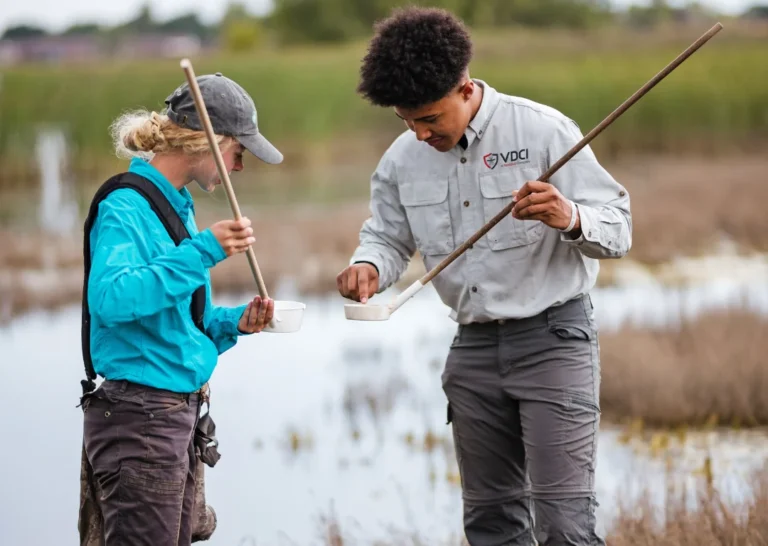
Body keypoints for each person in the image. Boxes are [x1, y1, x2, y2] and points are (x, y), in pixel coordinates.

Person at [337, 7, 631, 546]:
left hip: (554, 343)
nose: (420, 133)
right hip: (471, 353)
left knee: (565, 528)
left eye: (429, 119)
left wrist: (568, 216)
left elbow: (619, 228)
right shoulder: (402, 159)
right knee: (490, 526)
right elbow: (387, 236)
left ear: (465, 88)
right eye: (406, 121)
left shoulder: (544, 130)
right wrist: (368, 266)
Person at [79, 72, 282, 545]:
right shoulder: (126, 205)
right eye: (239, 153)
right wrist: (204, 250)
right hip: (140, 420)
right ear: (207, 142)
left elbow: (175, 326)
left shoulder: (178, 205)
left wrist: (236, 323)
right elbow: (111, 300)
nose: (239, 167)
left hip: (174, 416)